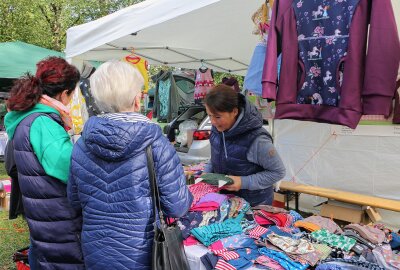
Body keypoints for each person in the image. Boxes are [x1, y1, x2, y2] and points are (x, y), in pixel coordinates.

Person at [67, 60, 193, 270]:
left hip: (95, 248)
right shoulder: (156, 143)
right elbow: (177, 206)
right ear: (137, 99)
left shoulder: (81, 145)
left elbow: (74, 201)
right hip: (143, 252)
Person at [4, 57, 84, 269]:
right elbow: (72, 170)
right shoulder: (43, 123)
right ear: (64, 92)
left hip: (44, 218)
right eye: (73, 93)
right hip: (59, 222)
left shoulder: (27, 117)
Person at [204, 84, 286, 206]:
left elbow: (278, 172)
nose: (213, 122)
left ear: (234, 112)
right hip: (225, 202)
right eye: (209, 115)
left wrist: (243, 182)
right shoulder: (217, 130)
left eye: (217, 117)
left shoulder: (257, 140)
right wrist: (207, 173)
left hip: (254, 205)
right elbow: (217, 155)